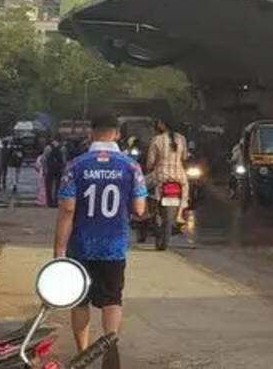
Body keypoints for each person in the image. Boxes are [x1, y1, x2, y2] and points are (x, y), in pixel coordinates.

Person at [54, 116, 146, 369]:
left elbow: (67, 210)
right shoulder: (131, 167)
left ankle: (83, 353)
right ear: (117, 134)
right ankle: (110, 347)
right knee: (112, 299)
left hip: (80, 246)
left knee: (79, 300)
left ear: (91, 132)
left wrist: (59, 251)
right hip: (113, 246)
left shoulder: (76, 165)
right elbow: (139, 209)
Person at [145, 120, 188, 221]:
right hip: (179, 176)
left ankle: (146, 212)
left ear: (163, 125)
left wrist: (149, 168)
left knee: (140, 186)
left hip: (161, 176)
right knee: (185, 190)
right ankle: (180, 215)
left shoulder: (157, 139)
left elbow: (150, 162)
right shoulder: (181, 139)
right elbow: (184, 157)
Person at [43, 140, 66, 209]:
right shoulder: (62, 148)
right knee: (58, 186)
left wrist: (44, 169)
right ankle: (56, 201)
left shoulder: (48, 147)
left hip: (50, 169)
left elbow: (44, 159)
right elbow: (64, 160)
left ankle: (49, 202)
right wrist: (63, 169)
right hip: (59, 169)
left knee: (48, 186)